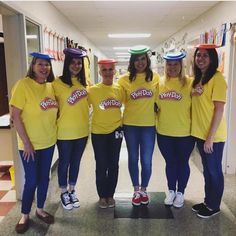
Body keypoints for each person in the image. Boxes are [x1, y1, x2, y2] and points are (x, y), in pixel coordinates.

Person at [10, 52, 58, 234]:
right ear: (33, 66)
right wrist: (27, 143)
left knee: (44, 178)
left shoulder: (50, 87)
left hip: (48, 142)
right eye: (40, 64)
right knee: (31, 180)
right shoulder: (23, 85)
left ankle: (40, 209)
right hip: (29, 145)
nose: (44, 68)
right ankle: (24, 215)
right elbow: (15, 116)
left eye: (47, 65)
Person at [118, 45, 160, 206]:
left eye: (143, 59)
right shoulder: (123, 80)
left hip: (149, 126)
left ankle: (144, 189)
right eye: (136, 60)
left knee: (147, 160)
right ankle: (136, 190)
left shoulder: (155, 78)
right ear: (132, 62)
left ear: (147, 60)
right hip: (130, 126)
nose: (140, 62)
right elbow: (117, 101)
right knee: (133, 158)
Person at [191, 44, 227, 218]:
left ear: (212, 58)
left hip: (213, 136)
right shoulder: (199, 77)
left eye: (205, 56)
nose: (201, 58)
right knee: (207, 170)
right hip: (200, 134)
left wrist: (210, 138)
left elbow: (219, 109)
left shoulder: (217, 78)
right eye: (198, 55)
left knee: (214, 171)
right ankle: (208, 201)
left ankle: (214, 206)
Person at [156, 52, 195, 208]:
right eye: (169, 65)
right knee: (170, 163)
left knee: (183, 162)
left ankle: (181, 193)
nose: (172, 68)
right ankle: (171, 190)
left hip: (185, 133)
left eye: (176, 64)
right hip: (164, 132)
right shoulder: (159, 83)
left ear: (181, 66)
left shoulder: (191, 83)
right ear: (165, 66)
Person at [52, 48, 89, 210]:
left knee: (76, 162)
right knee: (64, 162)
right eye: (73, 63)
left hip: (82, 132)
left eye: (79, 63)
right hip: (64, 133)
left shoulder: (84, 83)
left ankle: (72, 190)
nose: (76, 66)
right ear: (67, 64)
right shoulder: (56, 84)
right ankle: (63, 192)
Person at [88, 59, 124, 209]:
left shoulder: (120, 89)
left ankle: (111, 195)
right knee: (101, 164)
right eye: (104, 70)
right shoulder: (93, 90)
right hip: (98, 133)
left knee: (114, 165)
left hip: (116, 131)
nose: (108, 73)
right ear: (99, 72)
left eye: (110, 69)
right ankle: (102, 195)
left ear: (114, 71)